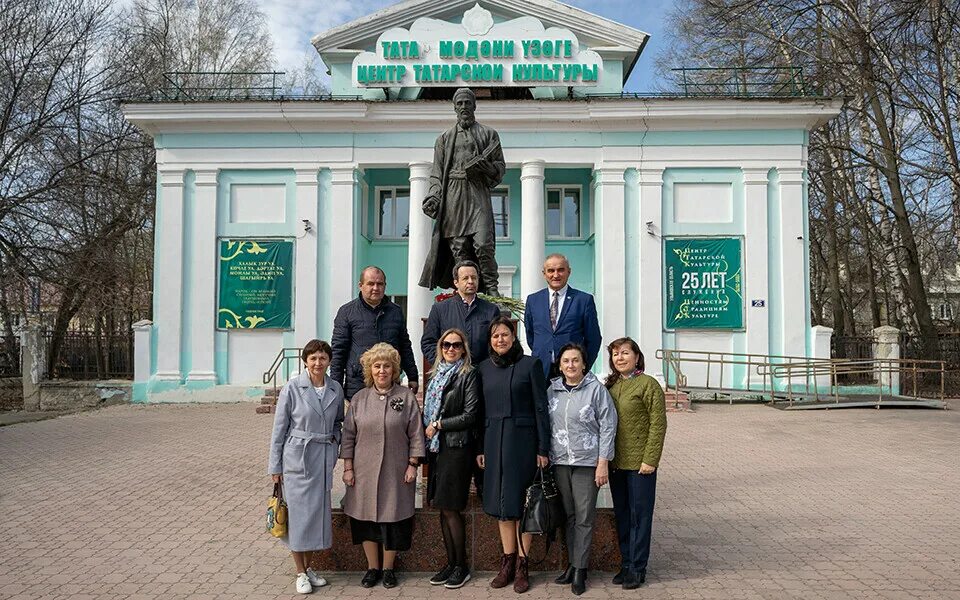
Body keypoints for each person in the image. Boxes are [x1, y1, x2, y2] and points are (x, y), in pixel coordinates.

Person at [340, 343, 426, 589]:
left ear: (394, 369)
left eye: (386, 366)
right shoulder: (359, 398)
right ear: (369, 369)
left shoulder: (405, 397)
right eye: (377, 366)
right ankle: (372, 568)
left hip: (396, 470)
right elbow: (348, 436)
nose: (382, 371)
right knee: (365, 520)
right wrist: (348, 467)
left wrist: (412, 465)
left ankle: (388, 569)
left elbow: (416, 434)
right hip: (363, 471)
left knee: (393, 520)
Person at [476, 316, 550, 593]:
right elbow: (480, 411)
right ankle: (506, 562)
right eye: (495, 336)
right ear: (490, 341)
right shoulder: (483, 368)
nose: (500, 340)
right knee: (503, 507)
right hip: (494, 442)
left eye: (505, 335)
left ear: (513, 336)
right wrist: (480, 448)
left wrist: (543, 448)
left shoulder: (530, 365)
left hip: (524, 443)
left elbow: (541, 408)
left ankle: (522, 564)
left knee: (523, 504)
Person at [267, 339, 343, 594]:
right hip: (297, 458)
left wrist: (335, 444)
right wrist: (275, 466)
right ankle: (299, 572)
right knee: (299, 517)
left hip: (322, 458)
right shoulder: (292, 388)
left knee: (315, 517)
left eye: (322, 358)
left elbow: (338, 423)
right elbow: (279, 429)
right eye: (313, 358)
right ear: (306, 361)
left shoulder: (335, 388)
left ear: (329, 361)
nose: (318, 363)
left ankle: (309, 568)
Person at [419, 87, 506, 295]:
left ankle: (492, 291)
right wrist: (433, 196)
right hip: (453, 196)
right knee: (459, 249)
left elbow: (500, 169)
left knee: (484, 244)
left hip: (477, 193)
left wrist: (486, 167)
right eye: (460, 103)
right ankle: (463, 292)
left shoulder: (489, 135)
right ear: (454, 108)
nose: (464, 107)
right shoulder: (444, 139)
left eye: (468, 102)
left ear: (474, 105)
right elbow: (437, 173)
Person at [547, 343, 618, 596]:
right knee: (569, 517)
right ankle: (571, 564)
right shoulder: (552, 390)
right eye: (566, 361)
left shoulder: (596, 390)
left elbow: (608, 426)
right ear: (560, 364)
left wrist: (603, 462)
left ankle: (580, 570)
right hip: (560, 461)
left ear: (584, 364)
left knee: (584, 517)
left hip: (588, 463)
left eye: (575, 360)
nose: (570, 365)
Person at [604, 338, 667, 590]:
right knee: (622, 515)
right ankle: (626, 563)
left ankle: (638, 567)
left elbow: (658, 424)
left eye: (625, 353)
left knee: (639, 516)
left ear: (637, 357)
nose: (620, 358)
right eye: (616, 354)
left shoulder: (648, 385)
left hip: (641, 465)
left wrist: (650, 460)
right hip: (616, 463)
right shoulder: (611, 385)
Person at [422, 328, 481, 589]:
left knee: (451, 508)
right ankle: (450, 563)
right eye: (446, 345)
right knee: (442, 508)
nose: (451, 349)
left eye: (456, 346)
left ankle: (462, 567)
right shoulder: (436, 375)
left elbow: (470, 415)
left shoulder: (468, 374)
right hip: (437, 449)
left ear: (464, 349)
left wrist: (439, 424)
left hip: (457, 448)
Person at [331, 266, 419, 401]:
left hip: (390, 382)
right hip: (358, 384)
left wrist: (413, 375)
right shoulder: (346, 312)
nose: (376, 288)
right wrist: (335, 385)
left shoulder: (396, 311)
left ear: (385, 285)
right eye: (371, 284)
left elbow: (404, 345)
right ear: (361, 285)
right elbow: (338, 351)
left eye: (380, 284)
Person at [524, 254, 602, 379]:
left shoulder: (583, 300)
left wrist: (583, 367)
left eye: (560, 270)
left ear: (569, 272)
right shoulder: (533, 300)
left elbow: (593, 339)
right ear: (544, 274)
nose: (556, 275)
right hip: (541, 370)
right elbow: (531, 335)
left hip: (572, 371)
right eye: (551, 271)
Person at [422, 260, 501, 366]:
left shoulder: (491, 310)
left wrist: (489, 368)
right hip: (451, 374)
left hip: (482, 374)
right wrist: (444, 363)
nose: (470, 281)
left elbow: (496, 343)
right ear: (456, 282)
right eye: (465, 278)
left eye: (474, 278)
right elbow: (428, 342)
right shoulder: (440, 309)